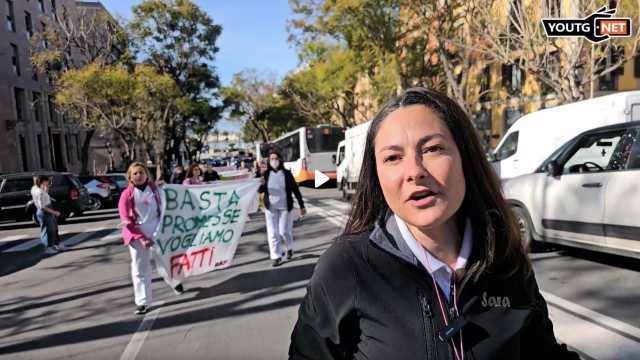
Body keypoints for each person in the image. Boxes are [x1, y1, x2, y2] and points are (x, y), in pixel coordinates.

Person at [289, 88, 579, 359]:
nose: (414, 171)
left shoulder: (504, 258)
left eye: (432, 149)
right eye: (393, 157)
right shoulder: (346, 266)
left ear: (465, 157)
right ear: (376, 176)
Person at [119, 162, 184, 315]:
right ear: (130, 177)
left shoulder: (155, 189)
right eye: (135, 173)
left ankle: (174, 281)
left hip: (157, 229)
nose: (138, 175)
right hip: (136, 233)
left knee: (166, 259)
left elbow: (170, 200)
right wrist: (141, 238)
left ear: (147, 174)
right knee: (140, 268)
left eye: (141, 172)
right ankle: (142, 302)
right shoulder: (126, 195)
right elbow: (125, 221)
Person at [258, 150, 306, 267]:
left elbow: (295, 189)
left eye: (276, 159)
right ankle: (276, 256)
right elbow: (260, 191)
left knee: (284, 231)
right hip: (270, 207)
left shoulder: (287, 173)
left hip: (285, 206)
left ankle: (289, 248)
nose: (273, 161)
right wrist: (262, 184)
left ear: (280, 160)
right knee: (273, 233)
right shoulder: (266, 174)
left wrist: (301, 205)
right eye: (271, 159)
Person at [31, 175, 63, 254]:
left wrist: (46, 188)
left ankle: (55, 245)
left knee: (53, 229)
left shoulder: (35, 188)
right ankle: (48, 247)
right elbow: (42, 207)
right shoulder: (39, 191)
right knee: (48, 230)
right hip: (45, 211)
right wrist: (54, 212)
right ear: (42, 182)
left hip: (47, 209)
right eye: (47, 181)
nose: (48, 183)